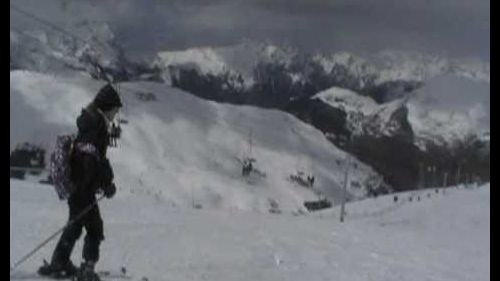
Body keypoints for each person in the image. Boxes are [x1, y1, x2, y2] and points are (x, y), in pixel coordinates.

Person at [38, 84, 123, 281]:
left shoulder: (91, 121)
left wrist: (100, 180)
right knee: (95, 228)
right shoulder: (96, 127)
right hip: (82, 188)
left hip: (77, 185)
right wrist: (105, 183)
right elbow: (92, 160)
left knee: (75, 225)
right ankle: (87, 269)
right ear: (108, 107)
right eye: (116, 109)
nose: (116, 113)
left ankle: (59, 262)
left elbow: (93, 158)